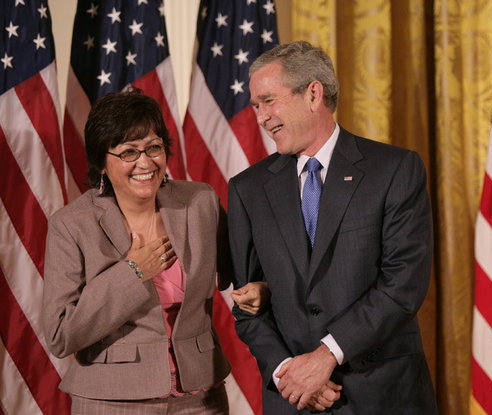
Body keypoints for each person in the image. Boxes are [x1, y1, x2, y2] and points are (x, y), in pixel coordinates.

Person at [228, 41, 437, 414]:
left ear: (313, 93)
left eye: (268, 101)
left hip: (382, 396)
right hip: (295, 400)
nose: (260, 117)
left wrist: (326, 356)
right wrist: (286, 373)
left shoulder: (394, 170)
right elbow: (246, 305)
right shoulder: (247, 189)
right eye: (255, 105)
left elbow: (403, 283)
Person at [43, 89, 233, 414]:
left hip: (201, 397)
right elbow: (61, 334)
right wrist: (132, 273)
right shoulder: (71, 225)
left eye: (153, 148)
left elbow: (244, 276)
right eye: (128, 152)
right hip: (112, 400)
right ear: (102, 163)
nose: (145, 163)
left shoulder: (201, 202)